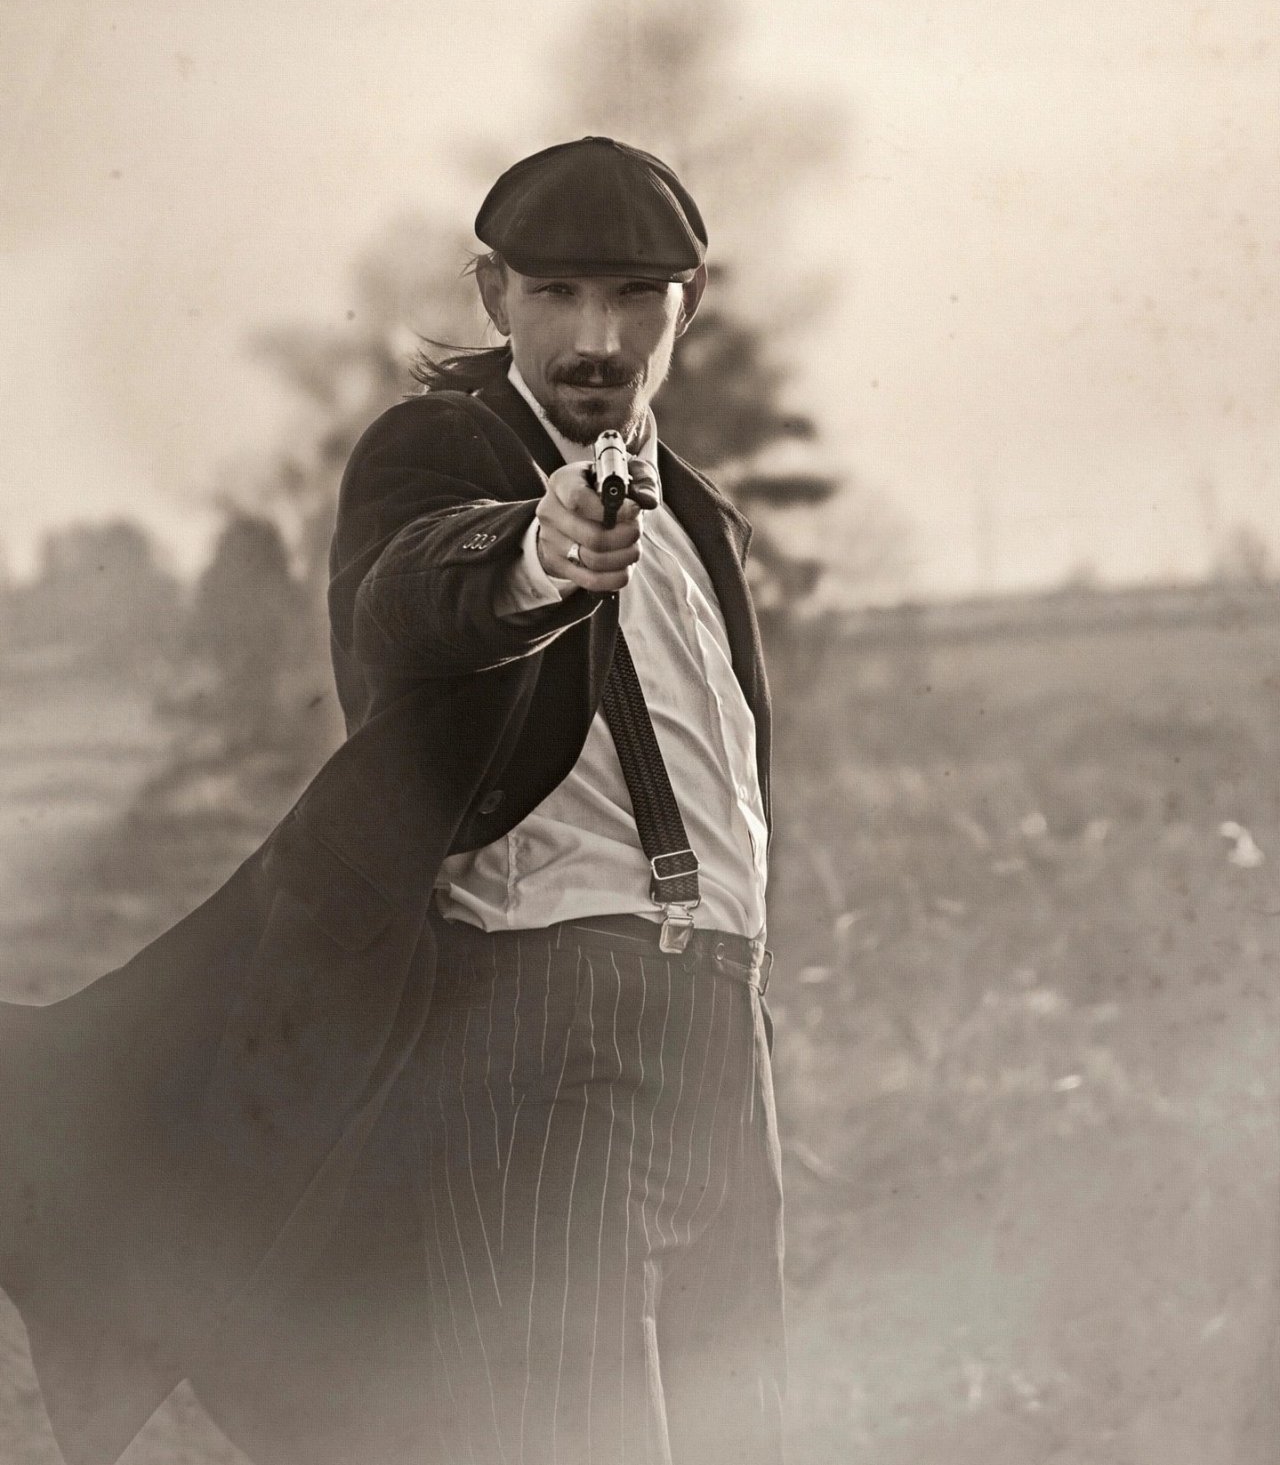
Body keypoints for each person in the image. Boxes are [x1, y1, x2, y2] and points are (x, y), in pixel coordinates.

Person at [0, 136, 785, 1465]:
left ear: (687, 304)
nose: (598, 337)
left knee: (740, 1433)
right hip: (548, 1026)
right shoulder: (440, 451)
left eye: (633, 296)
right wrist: (536, 550)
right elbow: (411, 592)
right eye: (556, 293)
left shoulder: (699, 516)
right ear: (494, 295)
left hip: (720, 1016)